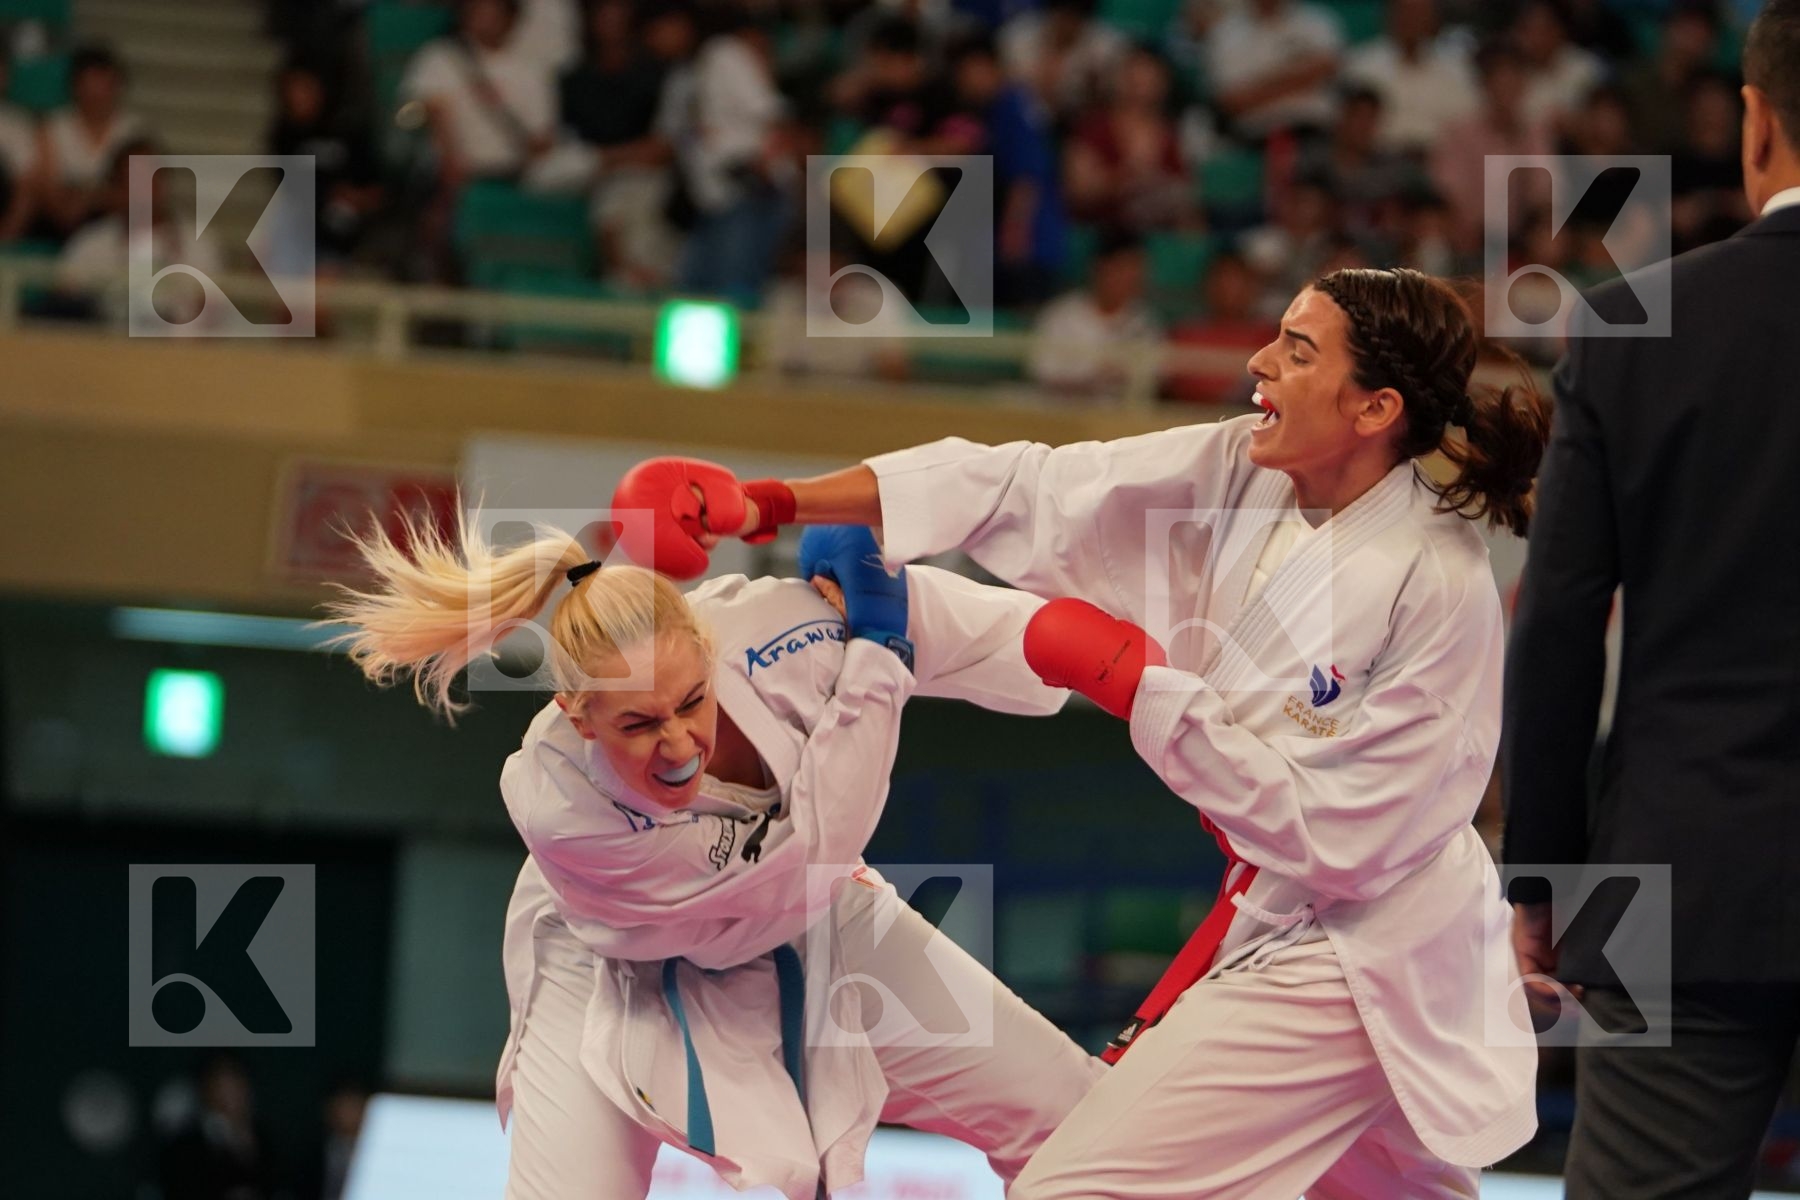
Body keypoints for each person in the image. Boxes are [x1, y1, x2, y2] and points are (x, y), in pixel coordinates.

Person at [612, 264, 1550, 1196]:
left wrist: (1140, 690)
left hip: (1363, 945)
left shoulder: (1438, 585)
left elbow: (1345, 843)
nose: (1259, 360)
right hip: (1292, 919)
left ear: (1375, 408)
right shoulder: (1241, 469)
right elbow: (1028, 485)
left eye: (1298, 353)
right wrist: (770, 503)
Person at [322, 505, 1101, 1200]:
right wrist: (878, 661)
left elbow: (1000, 633)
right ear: (578, 716)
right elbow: (812, 855)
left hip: (817, 919)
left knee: (1079, 1122)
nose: (678, 743)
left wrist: (1134, 676)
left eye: (692, 700)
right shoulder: (561, 809)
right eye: (637, 725)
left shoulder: (775, 629)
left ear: (709, 650)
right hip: (609, 971)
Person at [1501, 3, 1800, 1196]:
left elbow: (1558, 629)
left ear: (1757, 122)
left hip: (1672, 883)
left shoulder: (1631, 327)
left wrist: (1542, 876)